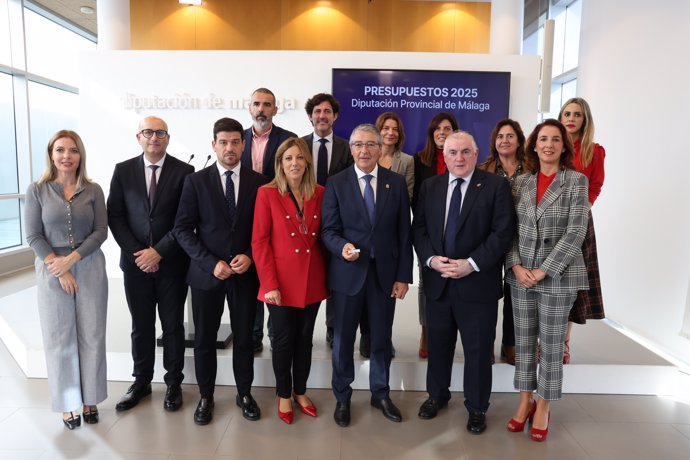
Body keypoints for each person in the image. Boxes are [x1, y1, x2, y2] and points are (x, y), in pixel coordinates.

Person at [412, 131, 514, 434]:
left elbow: (502, 232)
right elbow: (419, 230)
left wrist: (471, 264)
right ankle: (437, 396)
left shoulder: (495, 185)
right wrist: (431, 259)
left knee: (479, 351)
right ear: (444, 155)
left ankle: (477, 406)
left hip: (477, 284)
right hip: (438, 281)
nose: (459, 158)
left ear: (476, 153)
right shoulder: (430, 186)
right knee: (438, 346)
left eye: (465, 152)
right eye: (453, 152)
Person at [173, 117, 269, 425]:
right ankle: (206, 397)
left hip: (245, 275)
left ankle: (244, 394)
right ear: (213, 145)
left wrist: (251, 256)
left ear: (244, 144)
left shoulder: (260, 182)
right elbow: (183, 230)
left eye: (235, 142)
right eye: (223, 142)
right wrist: (210, 262)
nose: (229, 148)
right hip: (206, 275)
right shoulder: (196, 181)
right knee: (204, 340)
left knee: (244, 340)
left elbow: (266, 230)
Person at [321, 123, 413, 427]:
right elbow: (328, 230)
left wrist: (403, 276)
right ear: (351, 149)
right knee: (344, 339)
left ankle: (380, 393)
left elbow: (404, 233)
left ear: (379, 148)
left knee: (381, 339)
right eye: (358, 144)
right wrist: (342, 246)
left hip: (384, 276)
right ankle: (343, 397)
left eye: (371, 144)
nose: (364, 150)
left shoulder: (395, 183)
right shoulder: (336, 183)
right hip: (348, 274)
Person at [505, 119, 589, 442]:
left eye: (556, 139)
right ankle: (525, 399)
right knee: (524, 342)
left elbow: (576, 231)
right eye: (543, 139)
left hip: (558, 276)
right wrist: (515, 265)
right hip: (522, 276)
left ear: (564, 147)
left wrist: (544, 269)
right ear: (534, 145)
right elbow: (509, 229)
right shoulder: (521, 183)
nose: (549, 144)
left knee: (551, 346)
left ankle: (543, 404)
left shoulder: (576, 182)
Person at [108, 116, 194, 413]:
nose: (154, 137)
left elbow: (185, 220)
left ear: (167, 138)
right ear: (138, 137)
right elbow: (115, 217)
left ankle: (173, 383)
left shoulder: (185, 172)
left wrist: (158, 252)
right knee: (141, 326)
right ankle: (141, 381)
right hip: (135, 266)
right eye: (148, 132)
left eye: (160, 133)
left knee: (172, 327)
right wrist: (140, 254)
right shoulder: (123, 171)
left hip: (172, 264)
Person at [24, 130, 108, 429]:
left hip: (89, 265)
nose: (66, 156)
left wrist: (71, 260)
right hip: (51, 269)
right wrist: (57, 266)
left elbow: (101, 232)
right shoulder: (37, 190)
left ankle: (90, 399)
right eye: (60, 150)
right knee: (59, 338)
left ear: (80, 155)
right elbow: (33, 234)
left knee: (93, 334)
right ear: (51, 154)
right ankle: (67, 403)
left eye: (72, 150)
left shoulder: (94, 189)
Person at [252, 137, 328, 424]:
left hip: (312, 279)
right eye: (288, 159)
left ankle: (300, 390)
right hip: (279, 283)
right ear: (280, 164)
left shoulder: (319, 192)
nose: (294, 163)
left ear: (307, 161)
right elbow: (259, 243)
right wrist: (269, 284)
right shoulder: (266, 193)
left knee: (305, 340)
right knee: (283, 340)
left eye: (299, 157)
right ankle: (284, 393)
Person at [242, 88, 297, 353]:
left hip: (278, 217)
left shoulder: (289, 139)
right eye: (257, 104)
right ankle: (253, 335)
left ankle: (277, 334)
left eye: (267, 104)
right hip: (243, 217)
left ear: (276, 109)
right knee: (253, 275)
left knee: (277, 273)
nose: (261, 109)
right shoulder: (237, 139)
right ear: (249, 107)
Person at [300, 92, 354, 350]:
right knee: (303, 273)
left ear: (335, 116)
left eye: (327, 112)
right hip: (302, 222)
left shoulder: (348, 147)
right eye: (317, 112)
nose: (322, 116)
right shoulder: (297, 146)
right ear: (310, 116)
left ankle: (332, 328)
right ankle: (299, 329)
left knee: (335, 275)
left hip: (338, 223)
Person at [559, 97, 606, 364]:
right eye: (567, 113)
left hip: (579, 222)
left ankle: (564, 343)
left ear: (584, 119)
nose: (571, 118)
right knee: (550, 283)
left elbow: (595, 185)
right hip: (550, 220)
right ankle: (545, 340)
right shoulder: (552, 145)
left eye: (577, 114)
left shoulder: (594, 151)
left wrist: (579, 212)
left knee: (572, 284)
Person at [478, 118, 527, 366]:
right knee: (486, 295)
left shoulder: (531, 169)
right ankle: (485, 344)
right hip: (491, 239)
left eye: (509, 136)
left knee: (514, 295)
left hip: (522, 239)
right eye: (500, 136)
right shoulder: (484, 169)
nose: (504, 140)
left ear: (519, 140)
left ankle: (511, 344)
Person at [412, 112, 459, 359]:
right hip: (429, 233)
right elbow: (416, 200)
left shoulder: (463, 159)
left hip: (456, 232)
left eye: (447, 128)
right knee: (426, 283)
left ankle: (449, 329)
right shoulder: (420, 160)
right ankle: (426, 330)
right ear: (431, 133)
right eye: (437, 128)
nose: (442, 132)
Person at [375, 111, 414, 200]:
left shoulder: (407, 160)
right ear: (378, 131)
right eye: (386, 128)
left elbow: (408, 195)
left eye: (395, 129)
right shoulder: (369, 157)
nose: (391, 133)